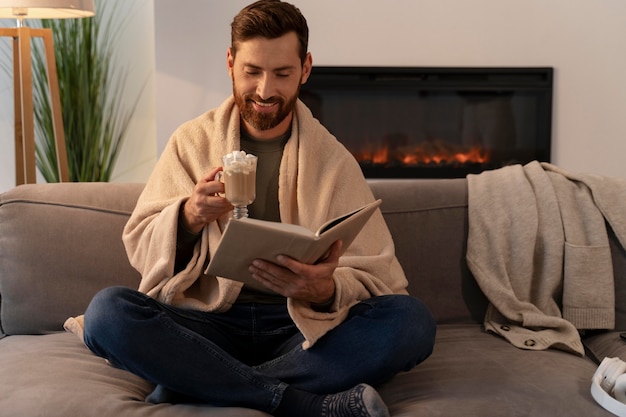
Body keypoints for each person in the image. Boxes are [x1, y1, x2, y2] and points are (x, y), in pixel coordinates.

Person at [82, 1, 435, 416]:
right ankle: (300, 402)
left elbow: (376, 272)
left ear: (305, 68)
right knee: (108, 313)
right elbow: (141, 245)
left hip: (299, 327)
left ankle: (198, 380)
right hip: (207, 322)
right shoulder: (189, 142)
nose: (266, 90)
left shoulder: (334, 161)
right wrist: (189, 217)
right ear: (231, 63)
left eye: (282, 74)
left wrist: (324, 290)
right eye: (252, 71)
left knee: (411, 323)